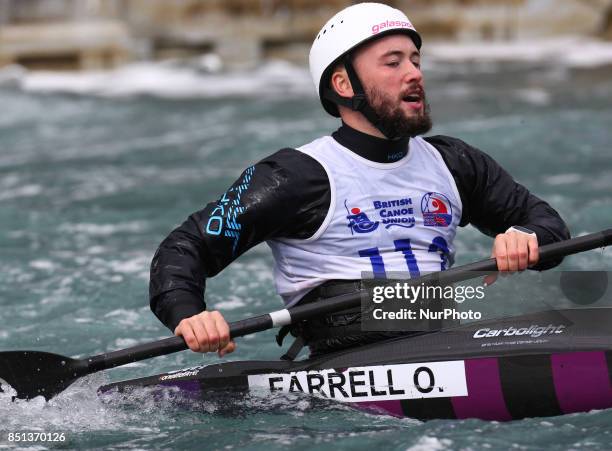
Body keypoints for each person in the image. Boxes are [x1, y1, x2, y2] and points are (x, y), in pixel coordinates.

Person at [149, 3, 569, 358]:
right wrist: (190, 314)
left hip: (444, 340)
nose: (415, 74)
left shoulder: (455, 162)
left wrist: (524, 234)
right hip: (347, 361)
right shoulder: (294, 176)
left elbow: (549, 225)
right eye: (393, 63)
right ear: (344, 83)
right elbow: (186, 247)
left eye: (416, 61)